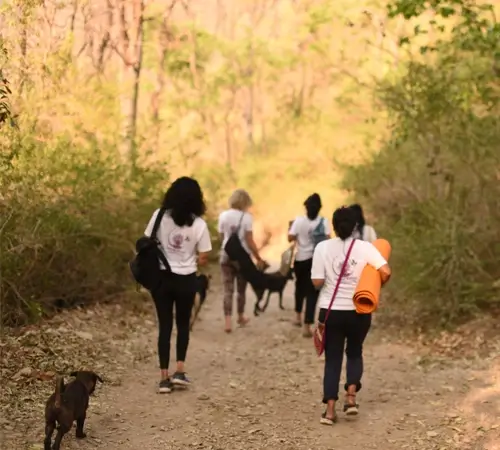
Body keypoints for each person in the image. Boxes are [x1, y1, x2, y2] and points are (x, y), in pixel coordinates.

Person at [311, 206, 391, 425]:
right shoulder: (366, 248)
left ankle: (329, 412)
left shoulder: (322, 248)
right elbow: (386, 271)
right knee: (355, 352)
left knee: (333, 359)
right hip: (358, 310)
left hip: (331, 311)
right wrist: (373, 285)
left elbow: (317, 282)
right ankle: (351, 399)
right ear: (356, 225)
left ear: (334, 226)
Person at [144, 177, 212, 394]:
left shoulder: (159, 216)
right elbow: (204, 257)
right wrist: (188, 257)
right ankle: (180, 371)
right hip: (187, 279)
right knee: (183, 324)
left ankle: (163, 378)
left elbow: (146, 242)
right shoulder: (199, 224)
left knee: (164, 326)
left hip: (161, 279)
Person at [218, 189, 265, 333]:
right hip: (241, 258)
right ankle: (240, 316)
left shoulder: (223, 215)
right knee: (241, 290)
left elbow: (221, 236)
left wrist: (227, 248)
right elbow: (249, 240)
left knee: (227, 289)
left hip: (226, 255)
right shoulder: (247, 217)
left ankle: (227, 322)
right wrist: (258, 258)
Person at [288, 193, 330, 337]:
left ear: (306, 207)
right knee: (313, 292)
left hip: (301, 260)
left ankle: (297, 316)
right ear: (319, 208)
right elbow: (328, 240)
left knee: (299, 288)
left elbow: (290, 238)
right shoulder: (324, 222)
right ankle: (307, 326)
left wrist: (294, 231)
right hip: (317, 261)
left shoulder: (299, 221)